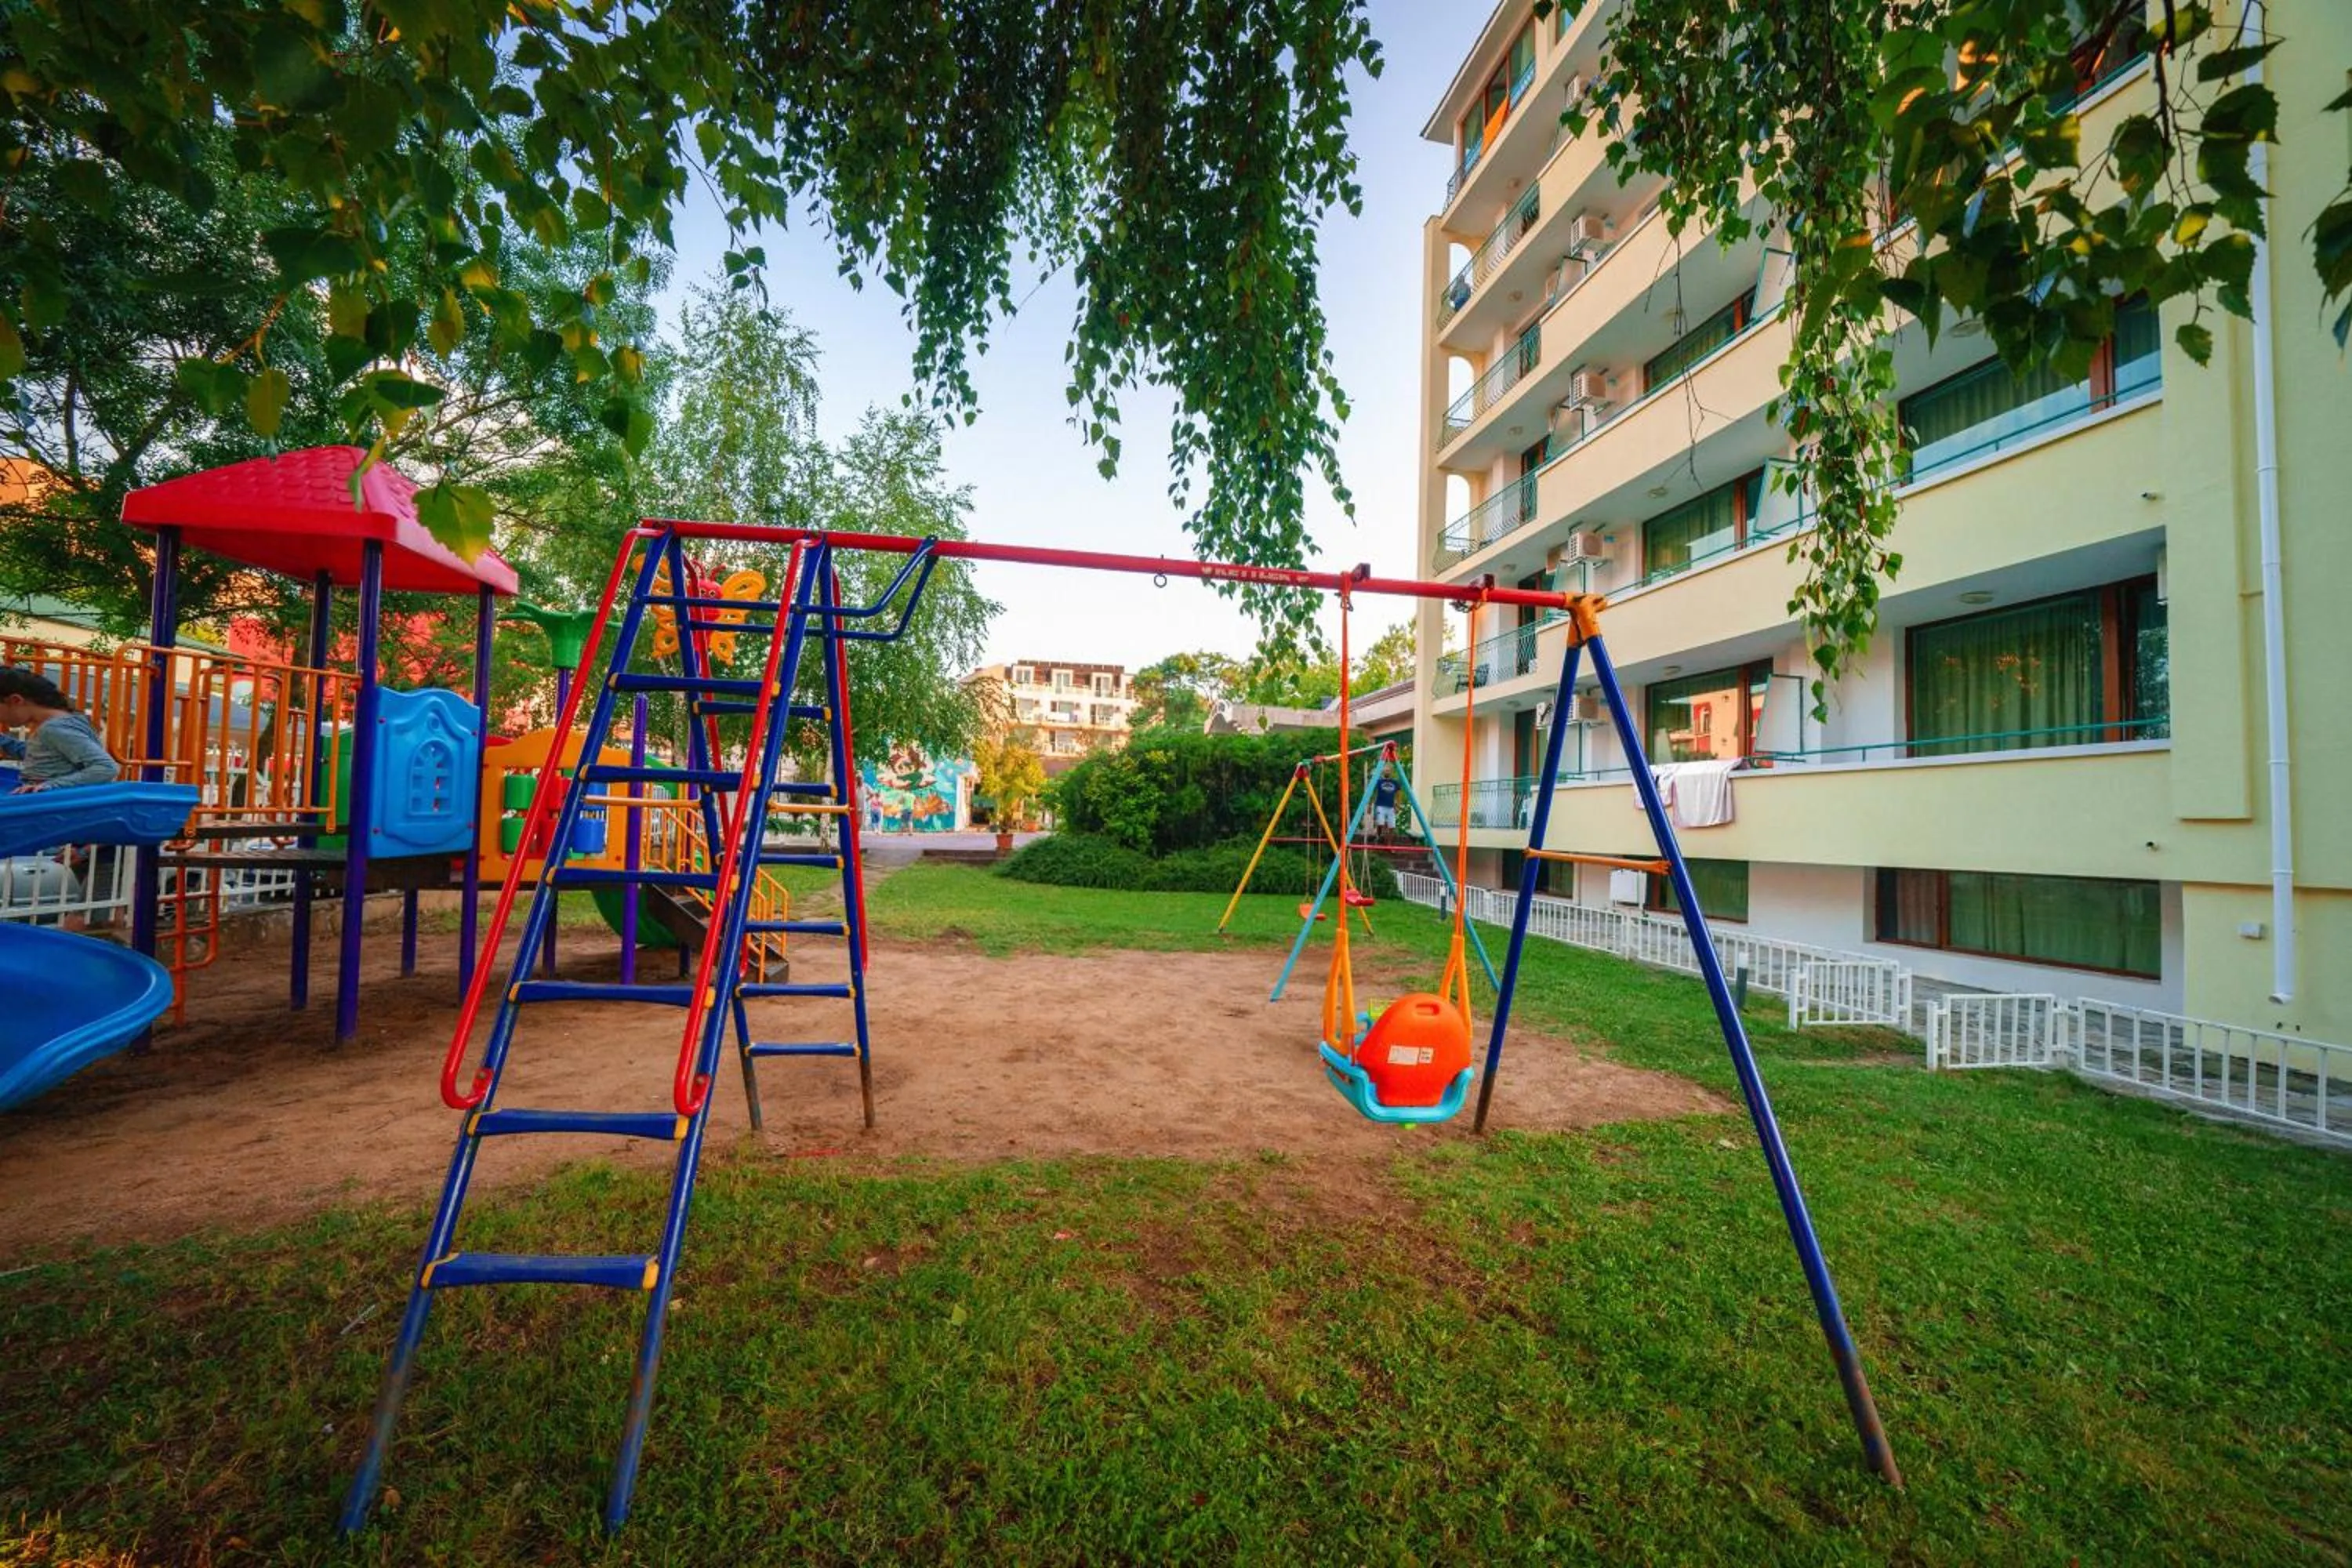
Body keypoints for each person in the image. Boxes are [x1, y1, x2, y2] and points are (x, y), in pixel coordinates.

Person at [0, 667, 119, 792]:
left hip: (52, 803)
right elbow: (43, 756)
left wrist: (50, 786)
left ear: (16, 700)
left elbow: (106, 767)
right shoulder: (55, 723)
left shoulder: (55, 729)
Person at [1370, 767, 1401, 842]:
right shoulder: (1379, 782)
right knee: (1380, 823)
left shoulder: (1395, 782)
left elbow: (1398, 795)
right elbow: (1375, 793)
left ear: (1391, 772)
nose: (1387, 772)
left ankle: (1389, 844)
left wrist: (1398, 806)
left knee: (1392, 826)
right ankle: (1379, 836)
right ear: (1383, 772)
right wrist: (1370, 805)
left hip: (1391, 807)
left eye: (1388, 770)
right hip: (1380, 805)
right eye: (1386, 770)